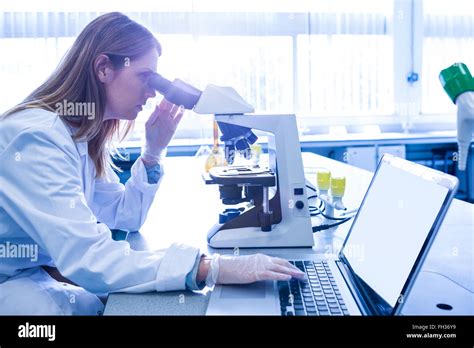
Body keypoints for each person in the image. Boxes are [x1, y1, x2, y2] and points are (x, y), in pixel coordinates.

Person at [0, 12, 304, 315]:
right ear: (104, 68)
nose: (152, 92)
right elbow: (89, 258)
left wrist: (153, 151)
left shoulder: (78, 136)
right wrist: (212, 268)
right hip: (9, 283)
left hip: (30, 274)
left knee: (103, 306)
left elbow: (123, 216)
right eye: (146, 78)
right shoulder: (37, 138)